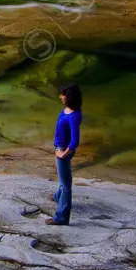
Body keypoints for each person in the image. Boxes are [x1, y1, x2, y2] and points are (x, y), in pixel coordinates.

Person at [48, 84, 82, 225]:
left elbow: (75, 140)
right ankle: (58, 197)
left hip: (64, 149)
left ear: (70, 98)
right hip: (59, 146)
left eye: (63, 95)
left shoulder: (74, 116)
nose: (61, 97)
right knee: (63, 178)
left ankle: (62, 217)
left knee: (65, 183)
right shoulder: (69, 110)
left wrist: (64, 154)